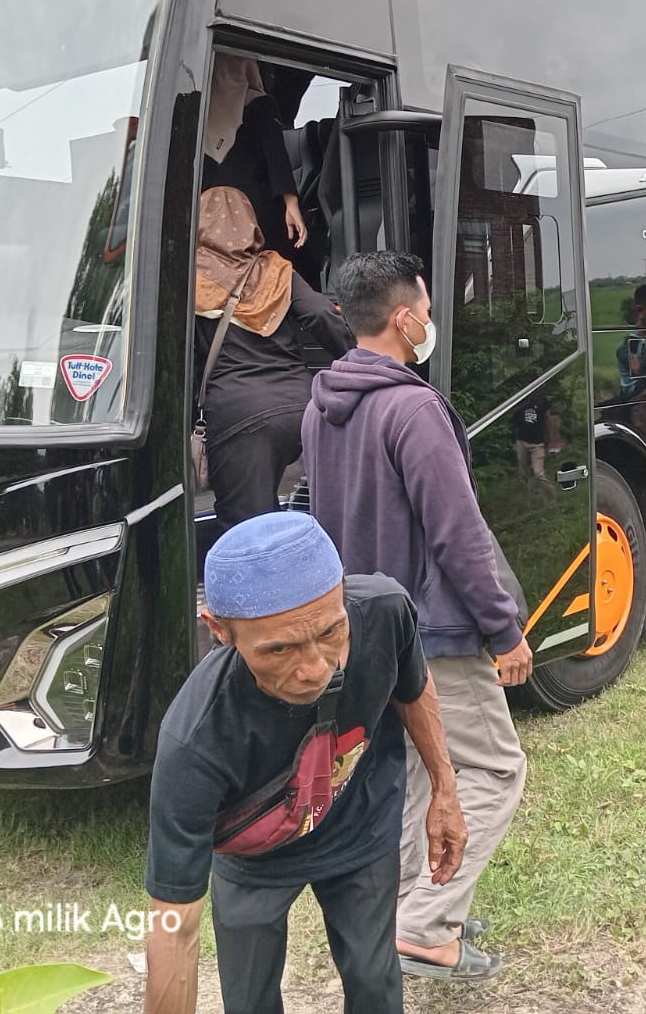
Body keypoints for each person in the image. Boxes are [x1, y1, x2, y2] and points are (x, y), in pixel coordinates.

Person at [303, 252, 530, 982]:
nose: (430, 319)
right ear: (403, 318)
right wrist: (504, 628)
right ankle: (429, 928)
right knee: (494, 769)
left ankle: (419, 905)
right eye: (426, 308)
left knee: (412, 775)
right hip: (431, 632)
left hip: (365, 627)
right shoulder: (414, 408)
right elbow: (456, 532)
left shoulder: (320, 405)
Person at [143, 512, 467, 1014]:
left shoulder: (381, 610)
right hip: (256, 858)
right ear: (219, 630)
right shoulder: (195, 740)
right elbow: (173, 926)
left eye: (330, 632)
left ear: (341, 591)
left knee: (372, 978)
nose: (316, 668)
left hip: (360, 824)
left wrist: (445, 789)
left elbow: (413, 686)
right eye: (280, 649)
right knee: (248, 1001)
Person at [193, 186, 351, 528]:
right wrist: (360, 360)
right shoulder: (275, 270)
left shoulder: (190, 280)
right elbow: (322, 316)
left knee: (249, 533)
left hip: (239, 418)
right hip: (302, 407)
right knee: (323, 517)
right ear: (251, 224)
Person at [202, 53, 309, 260]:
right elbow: (276, 158)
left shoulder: (199, 116)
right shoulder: (260, 104)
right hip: (257, 212)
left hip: (213, 222)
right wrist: (291, 204)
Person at [510, 393, 556, 484]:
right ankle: (526, 492)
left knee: (539, 474)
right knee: (523, 471)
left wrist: (551, 437)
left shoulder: (542, 403)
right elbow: (514, 423)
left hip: (537, 443)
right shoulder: (521, 406)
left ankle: (550, 495)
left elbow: (548, 419)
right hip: (522, 441)